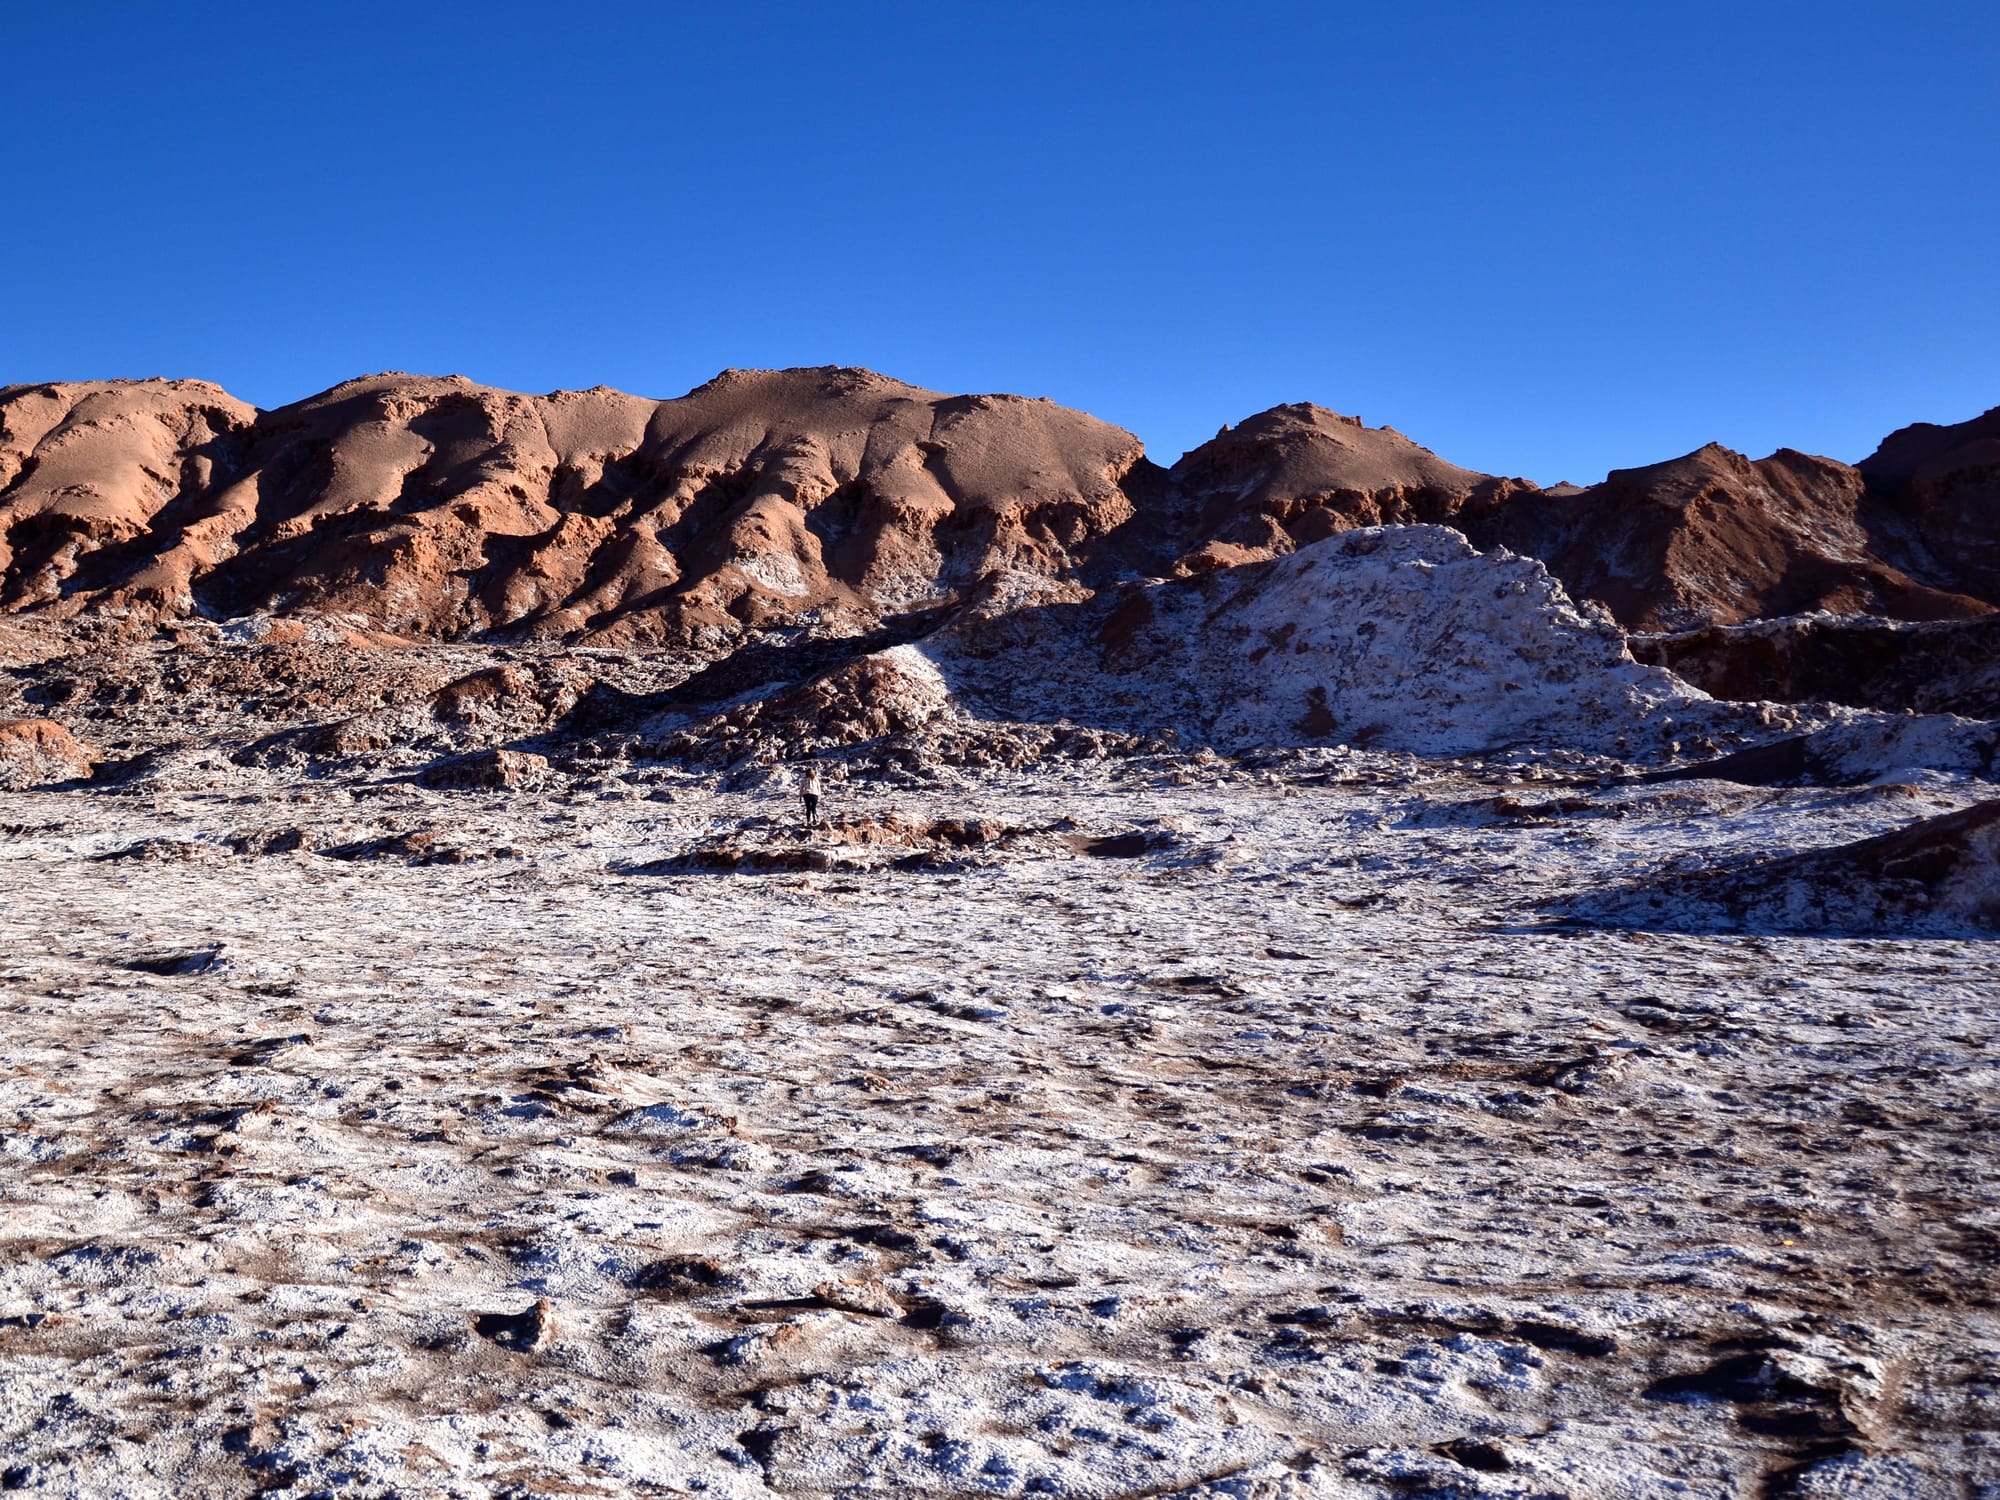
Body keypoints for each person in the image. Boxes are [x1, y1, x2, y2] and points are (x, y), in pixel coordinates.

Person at [800, 756, 823, 831]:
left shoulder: (803, 779)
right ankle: (814, 817)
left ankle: (808, 820)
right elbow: (818, 787)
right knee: (813, 807)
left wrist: (800, 796)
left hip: (806, 794)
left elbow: (801, 788)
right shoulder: (815, 779)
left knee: (808, 808)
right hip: (814, 794)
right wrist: (819, 795)